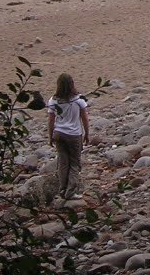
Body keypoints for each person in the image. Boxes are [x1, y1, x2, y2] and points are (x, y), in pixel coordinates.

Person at [47, 73, 90, 201]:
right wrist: (87, 133)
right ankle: (70, 191)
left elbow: (50, 121)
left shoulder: (53, 100)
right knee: (75, 163)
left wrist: (50, 136)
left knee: (63, 163)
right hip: (74, 134)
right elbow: (84, 118)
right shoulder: (78, 99)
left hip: (59, 133)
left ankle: (62, 189)